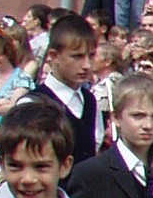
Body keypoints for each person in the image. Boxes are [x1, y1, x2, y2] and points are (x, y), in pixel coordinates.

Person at [32, 11, 110, 162]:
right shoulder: (34, 104)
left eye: (91, 56)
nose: (87, 65)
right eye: (77, 56)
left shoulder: (90, 101)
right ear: (54, 56)